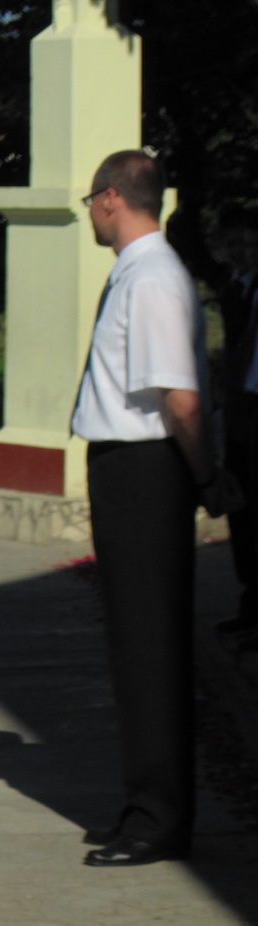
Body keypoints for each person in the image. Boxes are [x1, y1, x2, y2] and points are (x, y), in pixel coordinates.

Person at [72, 150, 230, 866]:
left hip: (146, 470)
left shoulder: (154, 278)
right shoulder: (138, 273)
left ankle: (158, 818)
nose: (90, 213)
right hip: (129, 468)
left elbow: (181, 399)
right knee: (136, 646)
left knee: (151, 649)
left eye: (90, 201)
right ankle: (146, 804)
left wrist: (205, 478)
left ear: (111, 198)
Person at [214, 205, 258, 639]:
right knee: (242, 509)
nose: (241, 250)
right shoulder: (232, 287)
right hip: (240, 412)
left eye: (248, 242)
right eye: (233, 243)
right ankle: (250, 603)